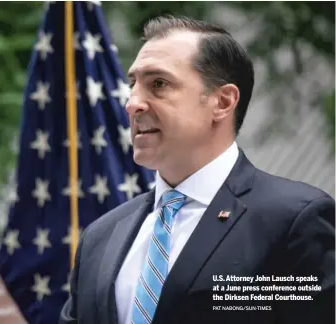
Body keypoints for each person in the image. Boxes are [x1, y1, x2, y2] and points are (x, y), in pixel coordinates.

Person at [60, 15, 335, 324]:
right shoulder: (100, 236)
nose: (132, 103)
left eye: (159, 84)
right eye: (132, 85)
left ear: (222, 101)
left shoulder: (292, 221)